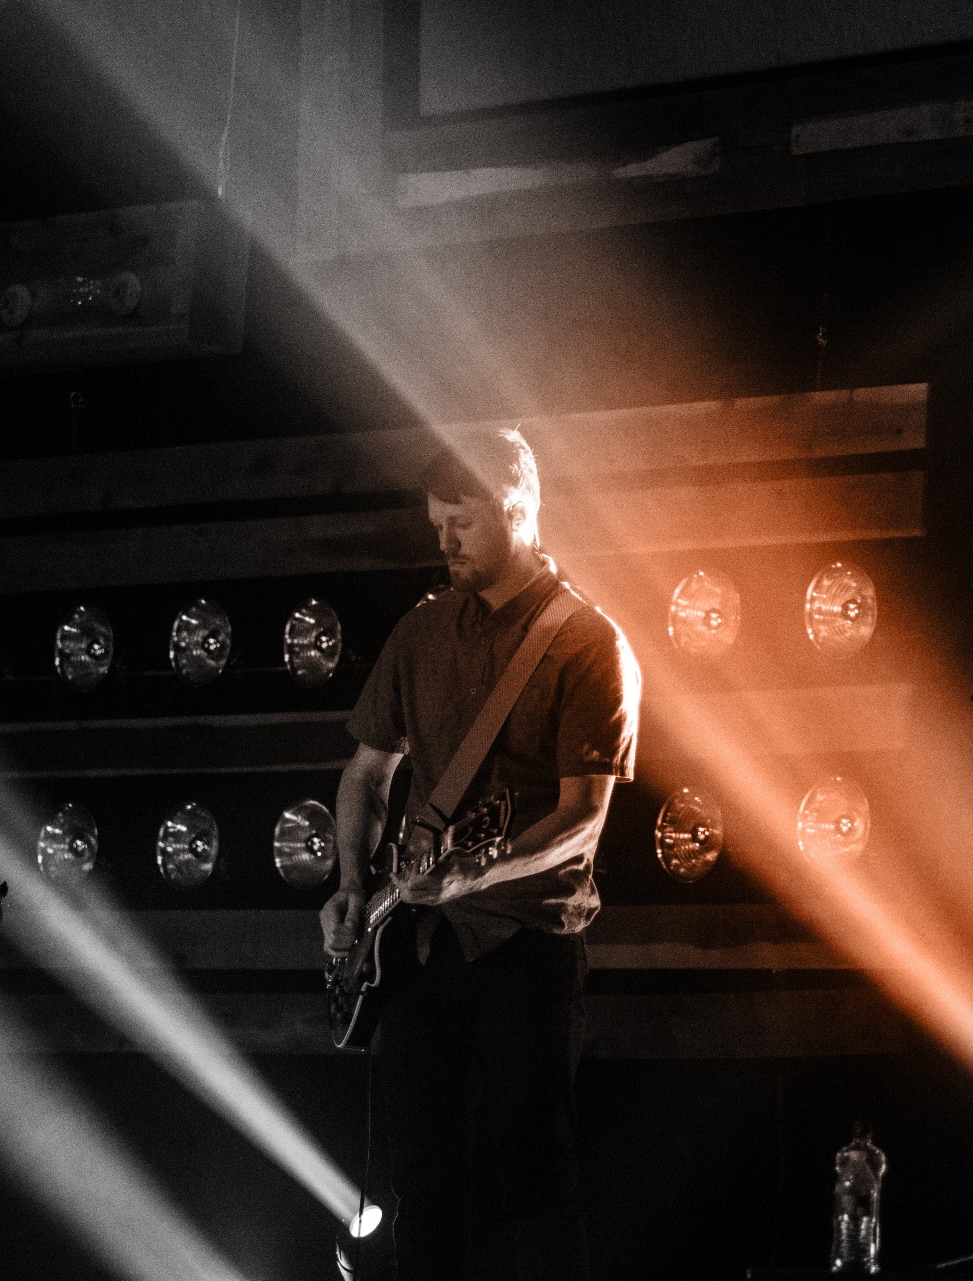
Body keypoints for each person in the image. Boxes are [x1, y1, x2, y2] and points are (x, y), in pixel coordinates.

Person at [321, 427, 640, 1280]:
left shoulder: (588, 643)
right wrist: (350, 884)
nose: (445, 542)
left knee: (534, 1181)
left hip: (526, 942)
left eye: (461, 523)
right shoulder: (421, 631)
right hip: (420, 943)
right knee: (422, 1180)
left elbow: (583, 818)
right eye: (437, 525)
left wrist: (479, 869)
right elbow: (366, 772)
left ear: (518, 508)